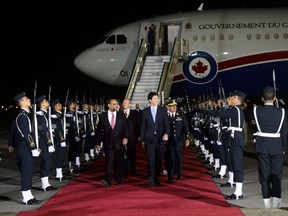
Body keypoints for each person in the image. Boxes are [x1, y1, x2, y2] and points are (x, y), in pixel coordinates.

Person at [253, 86, 288, 208]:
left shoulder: (256, 111)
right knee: (277, 176)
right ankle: (276, 203)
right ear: (275, 98)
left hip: (262, 147)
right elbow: (284, 132)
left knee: (264, 175)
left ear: (262, 98)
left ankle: (267, 205)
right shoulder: (282, 112)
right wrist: (283, 146)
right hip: (277, 147)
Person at [10, 92, 41, 205]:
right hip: (25, 147)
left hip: (26, 147)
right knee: (26, 172)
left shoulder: (26, 115)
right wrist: (33, 148)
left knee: (28, 172)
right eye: (26, 98)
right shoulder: (22, 116)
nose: (29, 99)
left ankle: (29, 195)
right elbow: (27, 134)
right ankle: (26, 197)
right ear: (21, 102)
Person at [215, 90, 247, 200]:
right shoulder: (235, 109)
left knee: (237, 166)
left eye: (232, 97)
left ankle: (239, 192)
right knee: (232, 163)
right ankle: (233, 183)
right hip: (233, 139)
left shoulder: (236, 109)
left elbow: (220, 113)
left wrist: (223, 105)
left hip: (236, 140)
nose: (230, 99)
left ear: (237, 99)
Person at [95, 98, 129, 187]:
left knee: (119, 162)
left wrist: (126, 137)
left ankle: (119, 179)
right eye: (113, 104)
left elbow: (126, 128)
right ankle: (107, 180)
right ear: (109, 105)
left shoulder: (121, 115)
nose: (116, 105)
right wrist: (98, 143)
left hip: (119, 143)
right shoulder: (103, 116)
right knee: (109, 162)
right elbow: (99, 130)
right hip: (108, 143)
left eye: (117, 104)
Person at [140, 92, 170, 186]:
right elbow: (143, 126)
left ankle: (156, 176)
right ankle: (151, 176)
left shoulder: (163, 110)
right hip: (149, 139)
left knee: (159, 158)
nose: (157, 100)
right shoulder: (145, 112)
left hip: (160, 139)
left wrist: (166, 133)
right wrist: (142, 139)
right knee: (151, 158)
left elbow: (167, 124)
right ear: (150, 100)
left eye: (157, 98)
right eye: (155, 98)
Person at [166, 99, 190, 183]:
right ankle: (170, 176)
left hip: (179, 140)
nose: (172, 108)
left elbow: (186, 126)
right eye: (170, 107)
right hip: (170, 141)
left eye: (173, 106)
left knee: (179, 158)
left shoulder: (181, 115)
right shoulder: (166, 115)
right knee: (171, 158)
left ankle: (179, 174)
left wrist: (187, 138)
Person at [36, 95, 57, 191]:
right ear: (41, 104)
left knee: (48, 162)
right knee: (46, 162)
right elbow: (44, 130)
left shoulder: (45, 114)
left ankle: (46, 183)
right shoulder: (40, 115)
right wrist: (49, 144)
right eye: (45, 101)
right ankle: (44, 184)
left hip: (48, 140)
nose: (48, 102)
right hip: (44, 141)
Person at [122, 98, 141, 177]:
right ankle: (124, 171)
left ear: (130, 104)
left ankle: (132, 170)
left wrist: (139, 135)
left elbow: (138, 125)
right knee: (123, 154)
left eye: (126, 103)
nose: (124, 104)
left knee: (132, 154)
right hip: (122, 138)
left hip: (132, 137)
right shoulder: (119, 113)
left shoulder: (135, 113)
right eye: (123, 103)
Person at [50, 99, 67, 181]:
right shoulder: (55, 116)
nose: (60, 105)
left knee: (62, 156)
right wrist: (61, 140)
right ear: (54, 107)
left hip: (63, 138)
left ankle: (60, 173)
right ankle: (59, 175)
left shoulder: (61, 115)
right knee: (60, 156)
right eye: (58, 104)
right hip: (59, 139)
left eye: (60, 104)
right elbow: (57, 129)